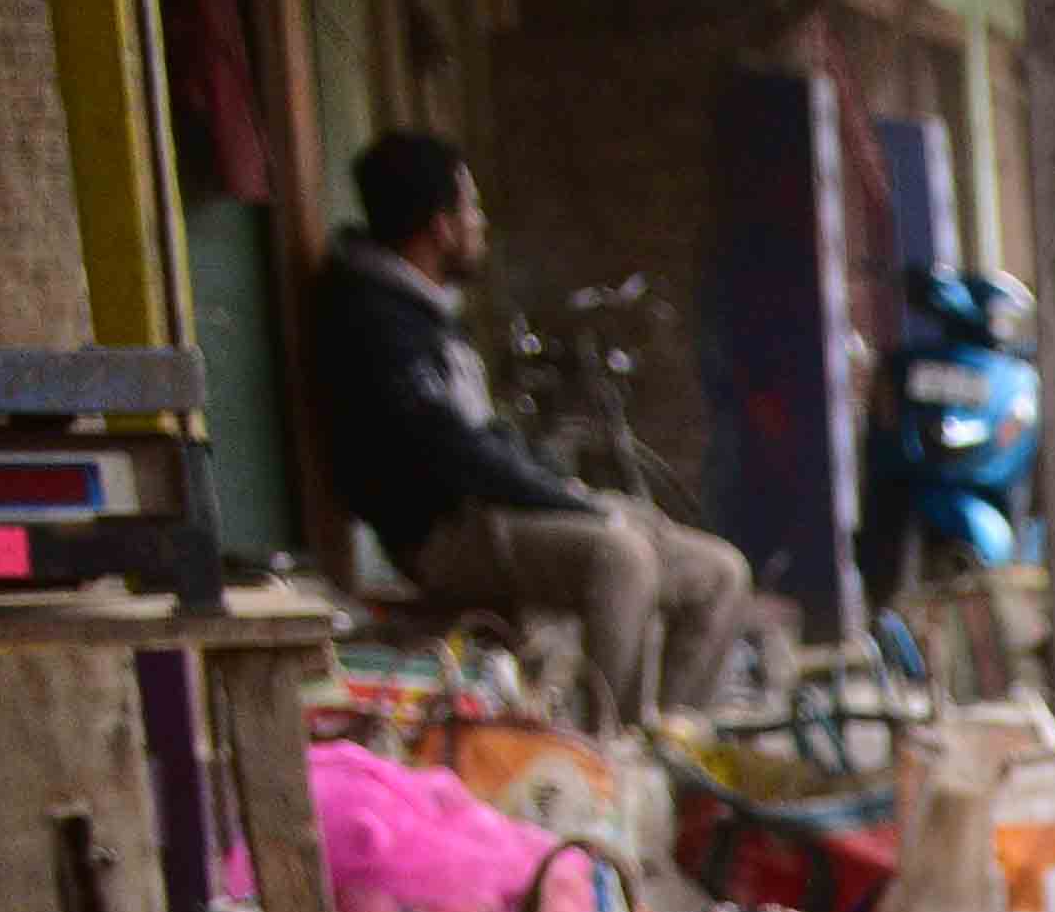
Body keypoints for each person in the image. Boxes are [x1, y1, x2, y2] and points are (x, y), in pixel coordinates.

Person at [307, 133, 752, 731]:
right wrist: (570, 501)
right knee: (620, 559)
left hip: (498, 510)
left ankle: (668, 749)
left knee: (719, 572)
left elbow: (486, 439)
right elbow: (454, 454)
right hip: (444, 530)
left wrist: (576, 496)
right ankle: (608, 756)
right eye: (471, 208)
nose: (479, 224)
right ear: (440, 227)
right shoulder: (374, 320)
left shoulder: (426, 310)